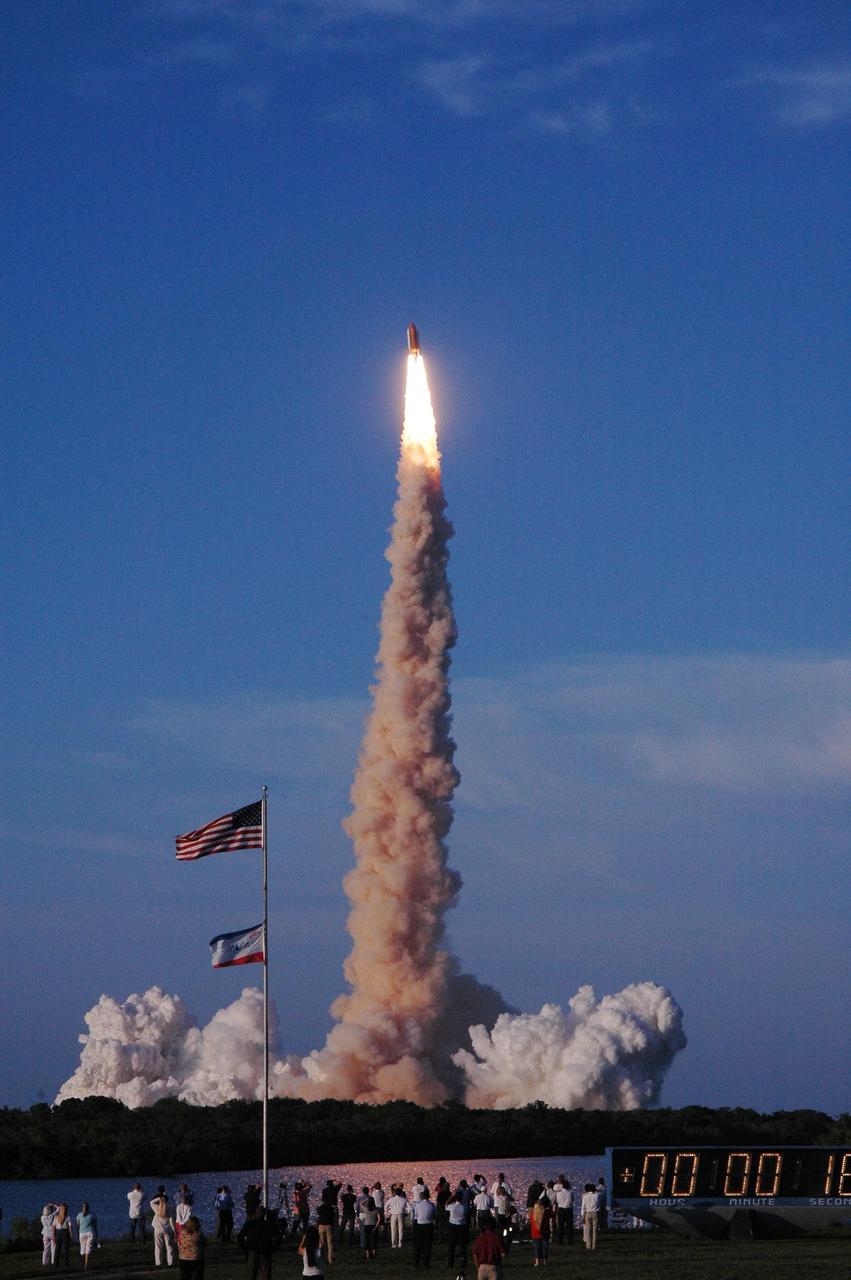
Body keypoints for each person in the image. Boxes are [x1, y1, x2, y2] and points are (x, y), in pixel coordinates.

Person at [238, 1206, 278, 1280]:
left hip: (253, 1251)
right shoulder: (270, 1225)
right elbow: (278, 1237)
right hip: (265, 1251)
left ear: (255, 1214)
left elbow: (240, 1237)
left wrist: (245, 1248)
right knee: (266, 1274)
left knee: (252, 1274)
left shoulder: (250, 1224)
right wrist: (274, 1248)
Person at [471, 1213, 505, 1280]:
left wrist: (478, 1266)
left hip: (482, 1268)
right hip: (494, 1267)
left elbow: (475, 1254)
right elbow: (503, 1254)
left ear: (484, 1226)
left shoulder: (479, 1239)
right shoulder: (497, 1238)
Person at [150, 1186, 176, 1268]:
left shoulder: (156, 1208)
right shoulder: (169, 1208)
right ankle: (170, 1262)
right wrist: (174, 1231)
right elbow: (171, 1221)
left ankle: (158, 1263)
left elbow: (151, 1202)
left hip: (157, 1229)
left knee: (158, 1247)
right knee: (169, 1246)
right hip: (167, 1229)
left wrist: (159, 1198)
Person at [446, 1191, 470, 1274]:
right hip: (462, 1227)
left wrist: (451, 1196)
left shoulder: (452, 1206)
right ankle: (463, 1263)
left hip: (452, 1226)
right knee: (462, 1247)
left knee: (451, 1246)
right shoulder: (465, 1207)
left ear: (455, 1198)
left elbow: (446, 1204)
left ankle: (450, 1264)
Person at [411, 1188, 436, 1267]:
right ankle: (426, 1263)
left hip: (420, 1225)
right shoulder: (432, 1205)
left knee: (418, 1244)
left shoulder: (417, 1205)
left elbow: (416, 1215)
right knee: (428, 1244)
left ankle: (416, 1262)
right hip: (429, 1225)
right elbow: (434, 1215)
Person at [178, 1215, 206, 1280]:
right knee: (198, 1276)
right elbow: (204, 1244)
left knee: (185, 1276)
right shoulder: (199, 1234)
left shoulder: (182, 1233)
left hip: (183, 1258)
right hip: (197, 1258)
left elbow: (179, 1242)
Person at [529, 1194, 552, 1268]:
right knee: (545, 1247)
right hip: (545, 1232)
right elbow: (553, 1215)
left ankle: (537, 1261)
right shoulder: (546, 1213)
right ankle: (545, 1261)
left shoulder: (532, 1215)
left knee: (537, 1248)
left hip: (535, 1233)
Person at [76, 1202, 98, 1271]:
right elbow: (95, 1226)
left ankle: (82, 1264)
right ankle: (86, 1265)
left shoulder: (79, 1215)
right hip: (90, 1232)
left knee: (82, 1248)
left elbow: (78, 1225)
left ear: (82, 1207)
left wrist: (80, 1231)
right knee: (88, 1249)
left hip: (82, 1233)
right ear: (88, 1208)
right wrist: (97, 1235)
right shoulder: (92, 1215)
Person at [384, 1184, 407, 1248]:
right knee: (401, 1230)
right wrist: (405, 1212)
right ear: (401, 1193)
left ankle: (394, 1244)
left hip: (393, 1215)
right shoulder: (404, 1199)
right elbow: (410, 1207)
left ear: (395, 1193)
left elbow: (385, 1207)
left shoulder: (391, 1199)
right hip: (401, 1215)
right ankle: (400, 1244)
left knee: (393, 1230)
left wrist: (388, 1212)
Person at [52, 1204, 74, 1269]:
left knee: (57, 1249)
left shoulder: (56, 1217)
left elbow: (53, 1227)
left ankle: (56, 1264)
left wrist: (54, 1235)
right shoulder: (67, 1217)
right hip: (65, 1232)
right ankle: (66, 1264)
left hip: (58, 1232)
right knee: (65, 1249)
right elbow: (70, 1227)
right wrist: (71, 1235)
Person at [315, 1196, 335, 1265]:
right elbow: (333, 1215)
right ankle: (330, 1259)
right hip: (328, 1225)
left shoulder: (320, 1208)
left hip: (321, 1226)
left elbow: (318, 1214)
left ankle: (321, 1259)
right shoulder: (331, 1208)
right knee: (330, 1243)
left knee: (321, 1243)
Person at [553, 1180, 573, 1245]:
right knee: (569, 1227)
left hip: (561, 1210)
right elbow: (572, 1200)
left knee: (560, 1226)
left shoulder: (559, 1193)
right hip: (568, 1209)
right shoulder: (571, 1193)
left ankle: (560, 1241)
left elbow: (557, 1202)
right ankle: (569, 1241)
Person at [581, 1184, 599, 1251]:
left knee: (588, 1230)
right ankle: (594, 1246)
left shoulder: (585, 1197)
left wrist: (582, 1216)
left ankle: (588, 1246)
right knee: (595, 1231)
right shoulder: (597, 1196)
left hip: (587, 1213)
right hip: (595, 1213)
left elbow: (583, 1207)